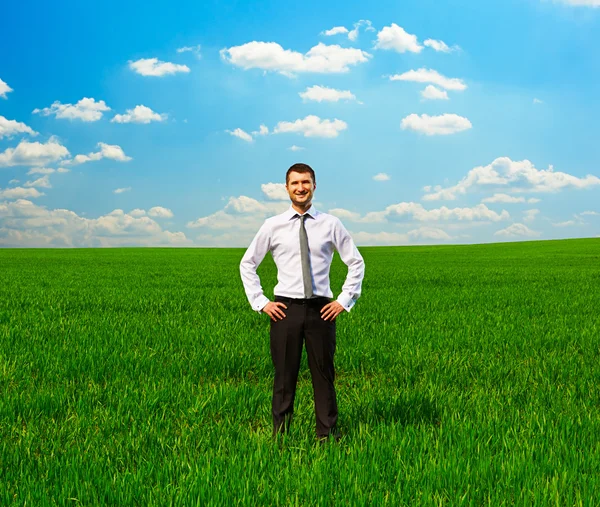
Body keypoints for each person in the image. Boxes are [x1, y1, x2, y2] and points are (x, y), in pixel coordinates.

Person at [240, 163, 365, 441]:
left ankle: (327, 436)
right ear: (286, 188)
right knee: (284, 377)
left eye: (305, 182)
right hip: (285, 310)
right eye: (295, 183)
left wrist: (344, 300)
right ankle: (281, 436)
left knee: (324, 375)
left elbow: (355, 262)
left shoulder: (331, 224)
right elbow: (247, 264)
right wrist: (261, 302)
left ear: (314, 186)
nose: (300, 188)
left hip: (322, 310)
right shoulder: (272, 226)